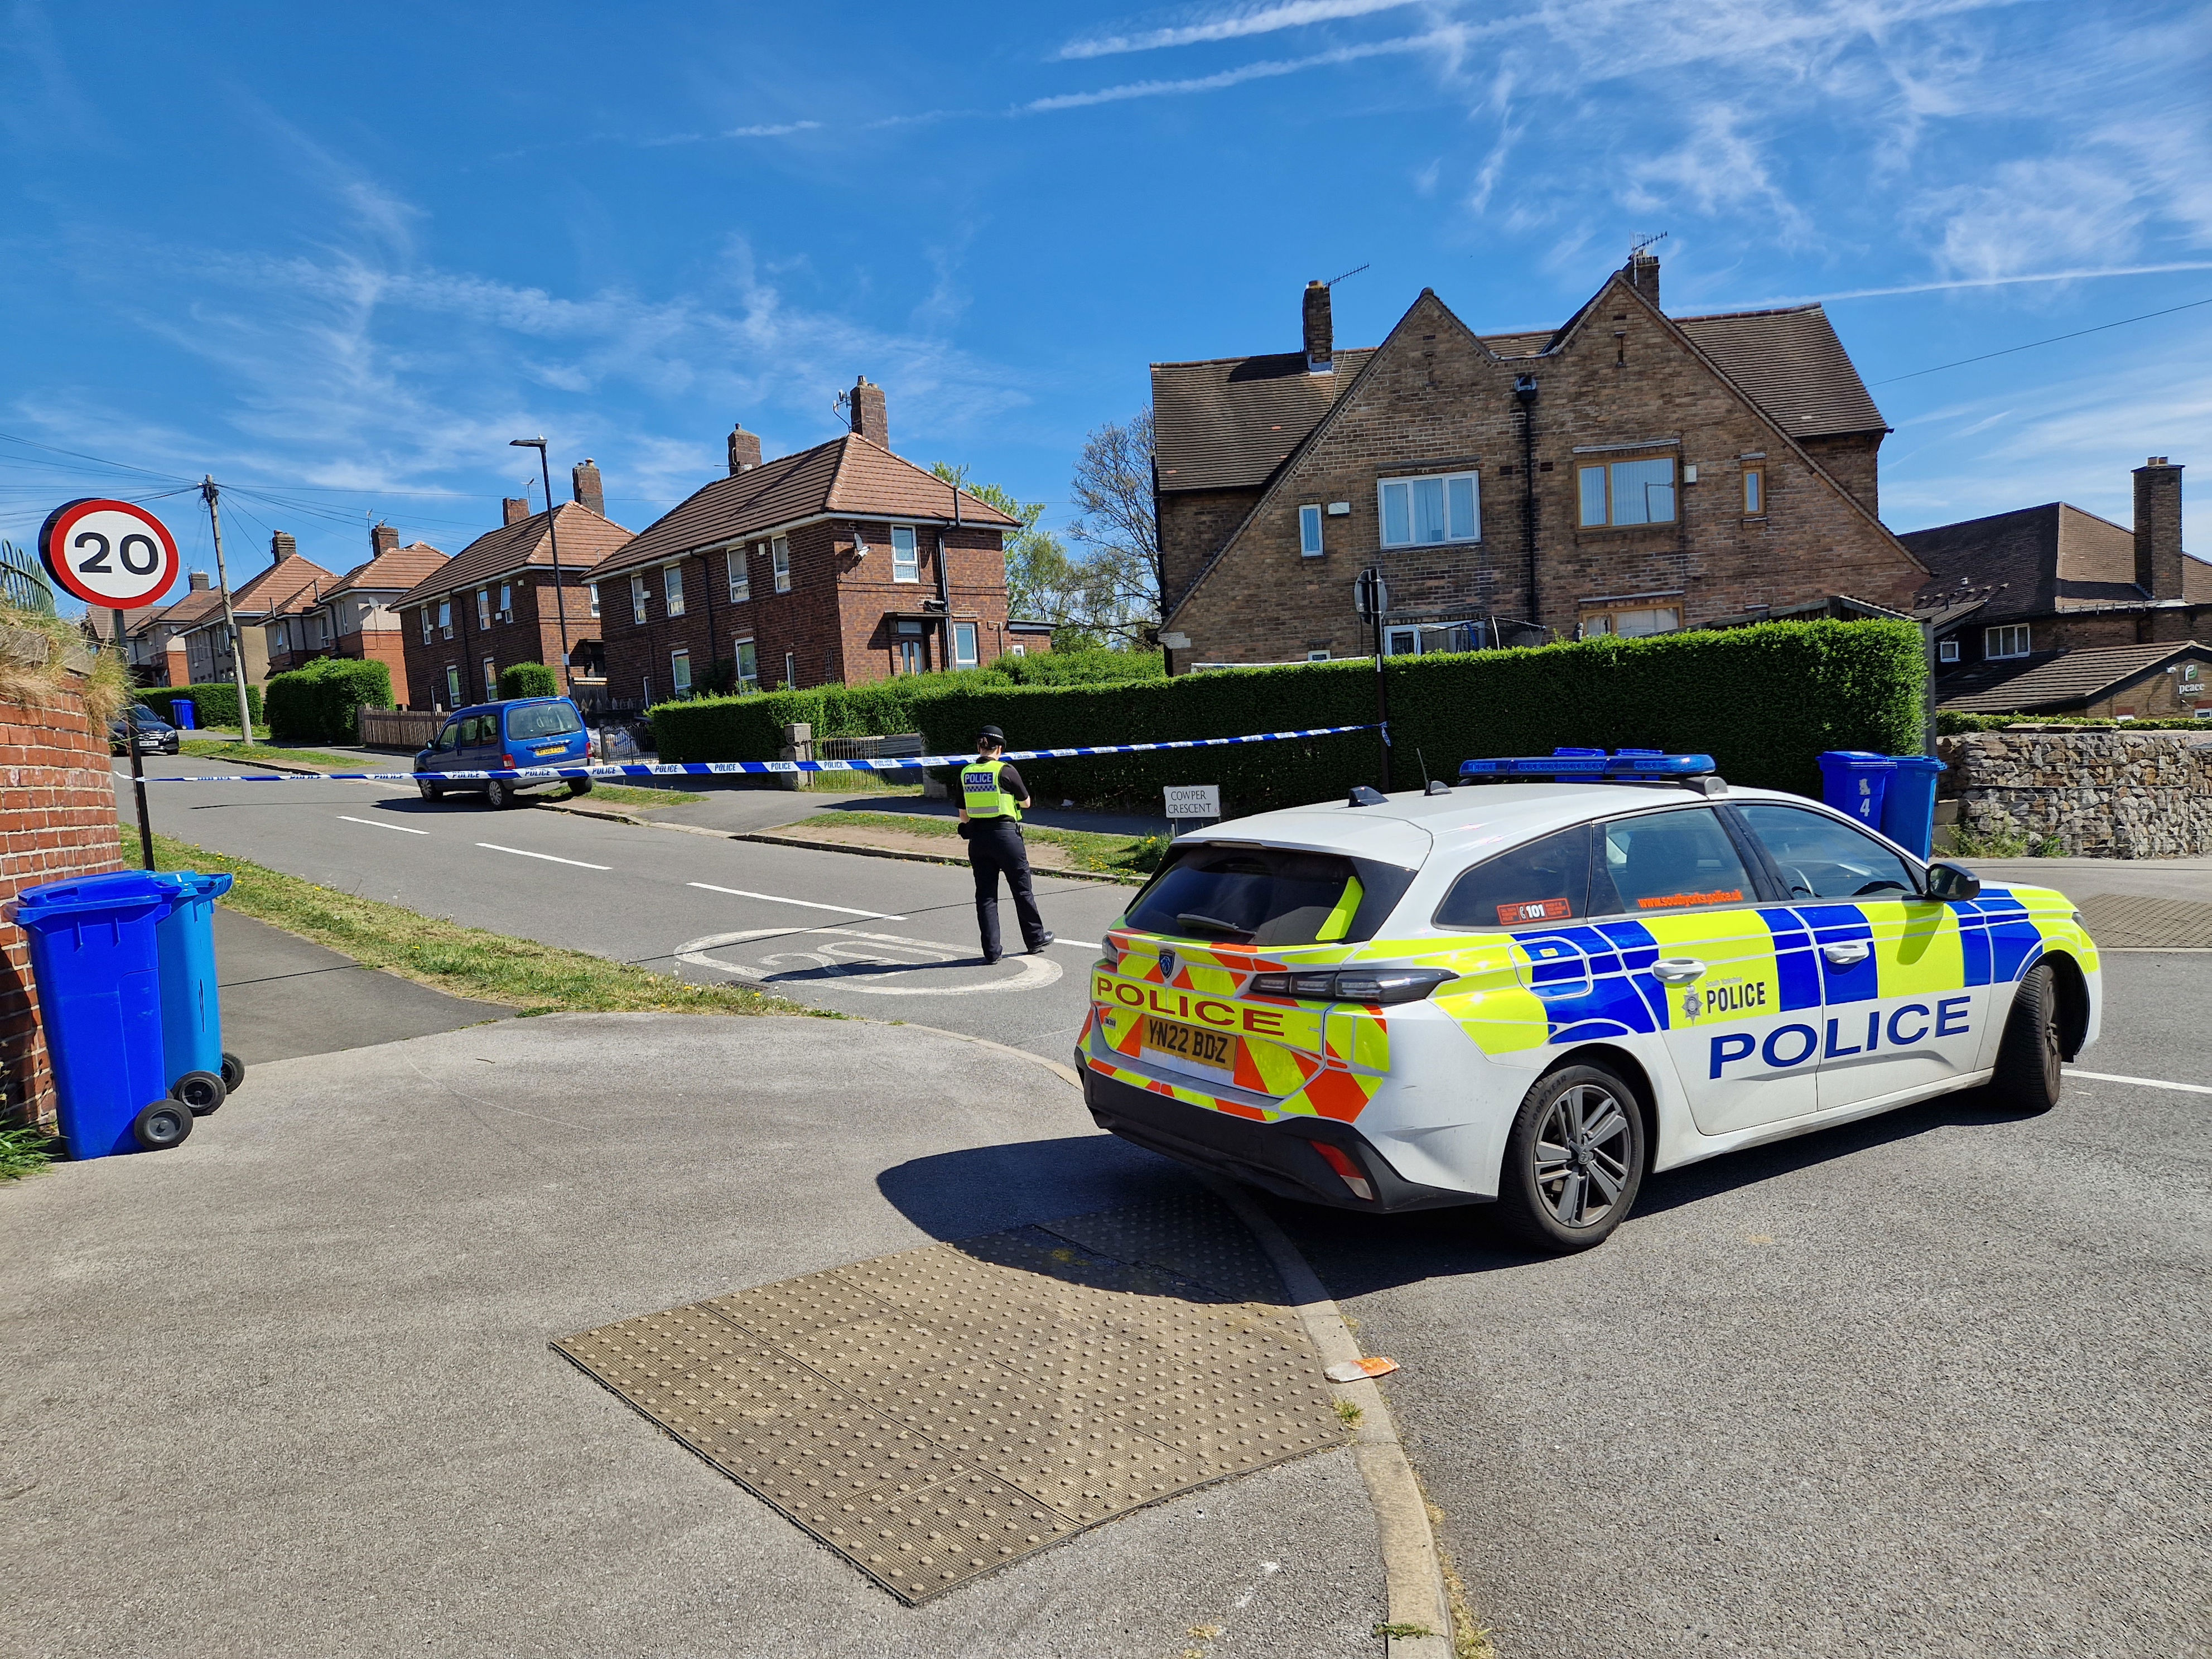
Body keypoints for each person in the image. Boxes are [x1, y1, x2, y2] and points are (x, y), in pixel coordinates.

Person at [957, 726, 1053, 964]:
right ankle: (1035, 939)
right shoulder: (1006, 771)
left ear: (979, 747)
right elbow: (1026, 802)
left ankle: (991, 952)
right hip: (1006, 838)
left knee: (986, 897)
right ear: (999, 749)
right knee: (1022, 891)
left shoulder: (966, 773)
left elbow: (964, 816)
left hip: (979, 840)